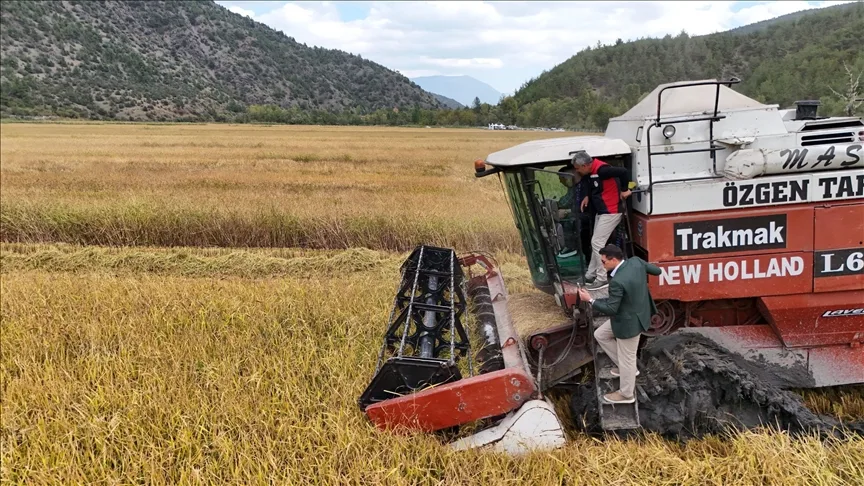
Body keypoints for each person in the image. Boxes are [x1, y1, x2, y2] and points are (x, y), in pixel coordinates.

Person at [577, 244, 662, 404]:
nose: (602, 265)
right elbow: (657, 271)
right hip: (638, 312)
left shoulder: (618, 281)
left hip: (629, 323)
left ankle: (626, 394)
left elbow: (611, 308)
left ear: (614, 259)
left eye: (603, 262)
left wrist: (590, 300)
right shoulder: (636, 261)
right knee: (600, 334)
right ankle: (624, 367)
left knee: (628, 357)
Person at [570, 150, 633, 290]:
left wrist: (624, 189)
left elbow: (623, 172)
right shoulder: (591, 172)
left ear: (585, 165)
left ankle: (602, 278)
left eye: (578, 168)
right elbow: (588, 182)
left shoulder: (603, 170)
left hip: (611, 211)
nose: (577, 171)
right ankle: (590, 275)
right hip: (602, 211)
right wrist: (586, 195)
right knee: (596, 242)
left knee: (597, 242)